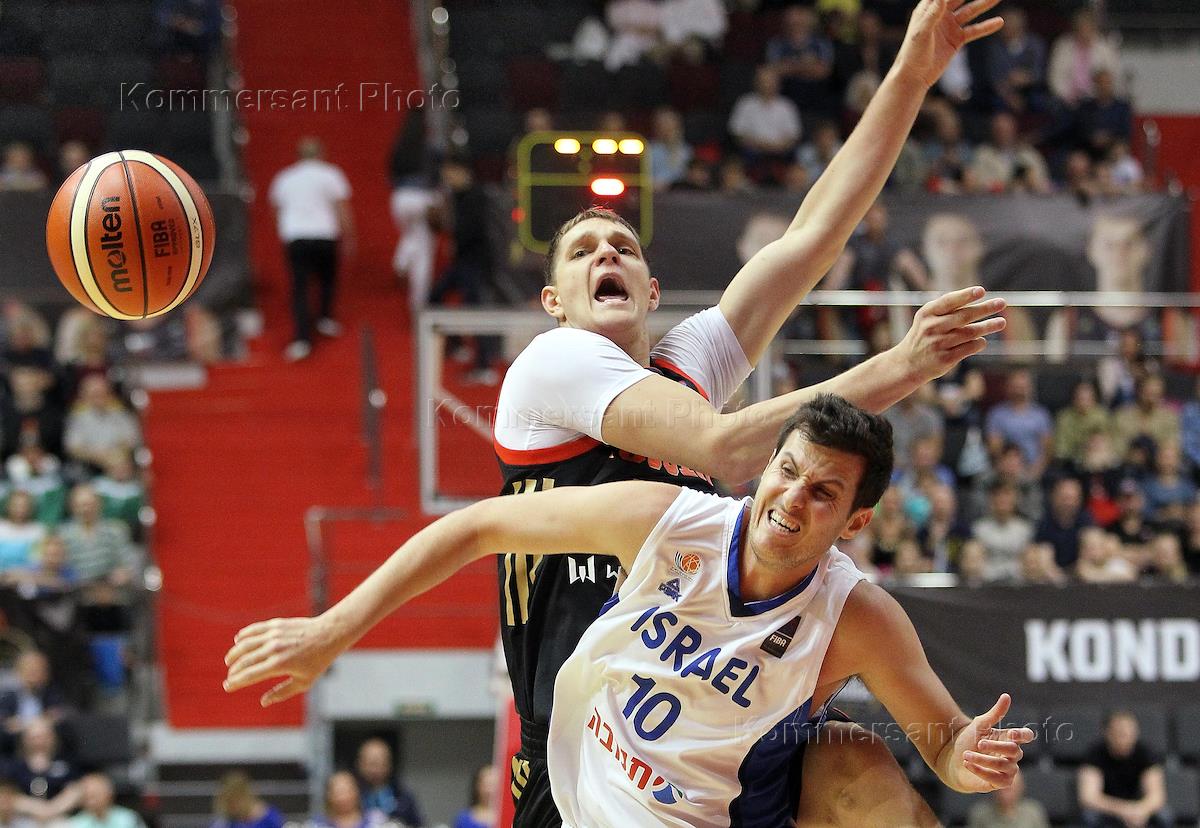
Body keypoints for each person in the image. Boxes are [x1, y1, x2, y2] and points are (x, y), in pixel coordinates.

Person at [491, 2, 1007, 823]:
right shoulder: (551, 366)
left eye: (623, 247)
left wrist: (912, 70)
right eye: (583, 251)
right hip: (588, 752)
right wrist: (903, 365)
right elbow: (726, 448)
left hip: (714, 734)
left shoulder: (687, 365)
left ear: (652, 292)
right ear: (554, 302)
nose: (607, 253)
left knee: (862, 774)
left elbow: (815, 234)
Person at [226, 396, 1034, 826]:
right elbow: (478, 528)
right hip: (588, 785)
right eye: (788, 471)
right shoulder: (666, 519)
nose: (792, 498)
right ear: (766, 467)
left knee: (856, 761)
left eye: (823, 492)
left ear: (855, 522)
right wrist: (332, 630)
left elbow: (943, 745)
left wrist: (968, 759)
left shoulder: (859, 615)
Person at [268, 137, 354, 362]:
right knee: (327, 279)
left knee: (300, 287)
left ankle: (302, 338)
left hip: (296, 235)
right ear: (321, 153)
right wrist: (348, 235)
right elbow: (341, 207)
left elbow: (275, 208)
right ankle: (325, 316)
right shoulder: (331, 174)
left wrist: (283, 230)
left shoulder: (285, 177)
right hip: (325, 234)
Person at [1078, 711, 1170, 828]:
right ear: (1107, 733)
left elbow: (1157, 796)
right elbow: (1089, 797)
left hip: (1139, 807)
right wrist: (1124, 810)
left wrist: (1141, 810)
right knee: (1089, 817)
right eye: (1120, 733)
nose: (1126, 737)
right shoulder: (1094, 754)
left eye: (1130, 733)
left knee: (1164, 816)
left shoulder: (1146, 753)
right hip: (1107, 809)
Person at [354, 739, 423, 828]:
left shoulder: (403, 795)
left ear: (389, 764)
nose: (374, 770)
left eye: (379, 763)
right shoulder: (350, 794)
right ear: (360, 764)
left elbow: (417, 824)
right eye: (371, 763)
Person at [967, 768, 1049, 828]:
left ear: (1021, 787)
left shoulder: (1034, 812)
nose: (1005, 792)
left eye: (1010, 788)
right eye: (1002, 788)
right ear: (993, 787)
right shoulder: (980, 813)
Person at [69, 773, 146, 828]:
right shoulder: (76, 823)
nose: (91, 801)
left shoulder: (128, 818)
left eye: (95, 795)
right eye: (87, 797)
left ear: (108, 794)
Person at [211, 771, 285, 828]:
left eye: (234, 801)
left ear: (245, 796)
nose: (232, 806)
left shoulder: (270, 819)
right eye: (228, 802)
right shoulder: (225, 822)